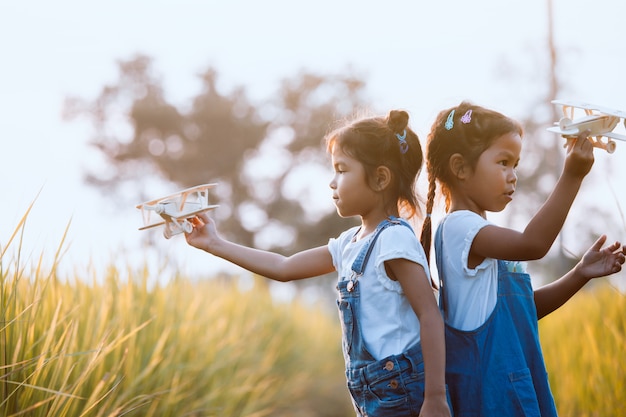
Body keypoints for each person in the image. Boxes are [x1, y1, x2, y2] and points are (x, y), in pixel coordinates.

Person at [185, 110, 452, 417]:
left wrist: (435, 397)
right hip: (372, 394)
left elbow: (429, 315)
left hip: (402, 394)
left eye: (341, 170)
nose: (331, 182)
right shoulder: (348, 243)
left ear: (380, 178)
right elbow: (284, 268)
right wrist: (214, 243)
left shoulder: (393, 240)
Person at [419, 101, 626, 417]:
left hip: (512, 386)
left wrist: (579, 273)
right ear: (460, 168)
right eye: (503, 162)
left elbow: (523, 312)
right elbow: (534, 244)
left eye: (515, 164)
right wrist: (572, 175)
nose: (513, 176)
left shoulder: (481, 235)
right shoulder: (459, 226)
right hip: (490, 396)